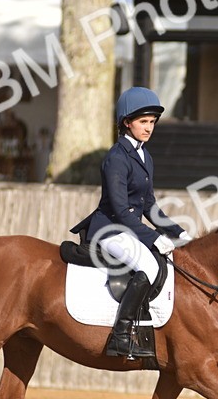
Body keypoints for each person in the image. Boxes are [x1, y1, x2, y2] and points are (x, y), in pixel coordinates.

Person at [71, 87, 192, 359]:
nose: (149, 128)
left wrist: (176, 231)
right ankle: (121, 335)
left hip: (128, 229)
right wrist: (152, 238)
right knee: (148, 265)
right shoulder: (116, 158)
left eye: (152, 122)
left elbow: (148, 204)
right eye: (143, 122)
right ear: (127, 122)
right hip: (109, 229)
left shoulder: (144, 156)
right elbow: (120, 210)